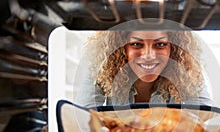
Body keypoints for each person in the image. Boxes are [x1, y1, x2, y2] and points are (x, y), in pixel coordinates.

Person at [75, 30, 212, 107]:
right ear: (122, 48)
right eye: (136, 44)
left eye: (160, 44)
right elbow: (84, 116)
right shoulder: (103, 68)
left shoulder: (187, 70)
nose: (148, 55)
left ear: (173, 48)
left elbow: (205, 117)